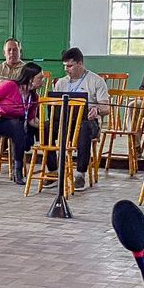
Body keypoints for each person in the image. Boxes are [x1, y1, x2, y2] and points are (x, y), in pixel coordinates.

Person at [53, 48, 111, 189]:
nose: (67, 69)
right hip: (66, 122)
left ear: (80, 63)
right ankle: (52, 171)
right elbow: (54, 106)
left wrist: (96, 109)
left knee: (84, 128)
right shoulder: (61, 83)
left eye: (70, 66)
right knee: (47, 128)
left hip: (89, 122)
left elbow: (106, 108)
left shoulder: (96, 81)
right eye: (65, 66)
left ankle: (80, 174)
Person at [0, 62, 46, 185]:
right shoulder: (11, 85)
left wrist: (45, 126)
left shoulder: (34, 97)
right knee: (16, 126)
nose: (42, 80)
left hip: (18, 124)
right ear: (31, 79)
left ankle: (18, 170)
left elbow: (31, 119)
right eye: (40, 78)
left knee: (18, 126)